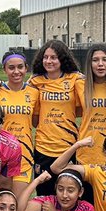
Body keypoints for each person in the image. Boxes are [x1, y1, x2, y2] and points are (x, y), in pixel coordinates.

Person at [28, 41, 84, 196]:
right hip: (43, 148)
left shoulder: (75, 79)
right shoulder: (35, 81)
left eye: (53, 57)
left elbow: (81, 109)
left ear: (62, 59)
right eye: (45, 57)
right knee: (44, 196)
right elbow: (35, 119)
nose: (48, 61)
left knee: (69, 194)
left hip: (68, 147)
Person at [0, 51, 40, 198]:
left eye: (20, 67)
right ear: (4, 70)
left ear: (26, 68)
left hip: (24, 155)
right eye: (11, 67)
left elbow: (35, 122)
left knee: (18, 206)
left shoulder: (34, 93)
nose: (16, 71)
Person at [77, 45, 106, 168]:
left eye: (105, 59)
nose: (100, 64)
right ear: (89, 63)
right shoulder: (79, 84)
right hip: (87, 150)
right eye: (95, 60)